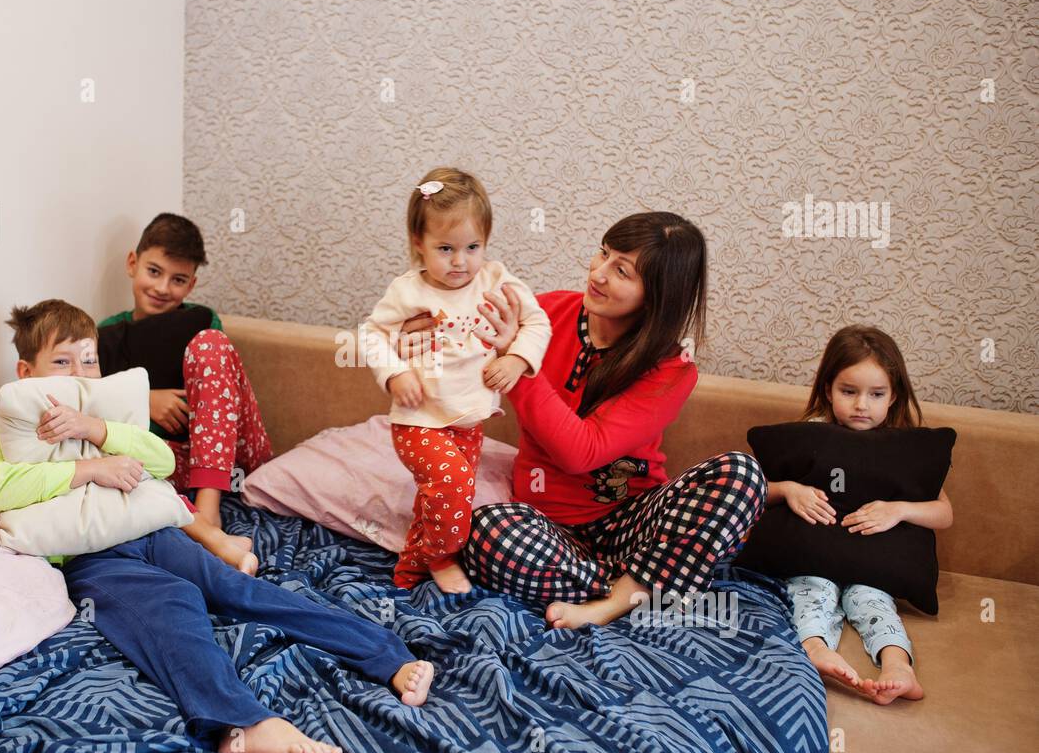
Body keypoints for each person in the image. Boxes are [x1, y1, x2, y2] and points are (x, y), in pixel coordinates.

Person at [0, 299, 435, 753]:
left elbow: (163, 462)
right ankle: (241, 724)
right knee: (174, 602)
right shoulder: (7, 423)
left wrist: (98, 431)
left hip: (151, 529)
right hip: (91, 556)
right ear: (26, 373)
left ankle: (386, 655)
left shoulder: (103, 415)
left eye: (88, 360)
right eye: (62, 362)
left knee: (238, 589)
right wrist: (89, 470)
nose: (80, 373)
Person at [400, 211, 767, 628]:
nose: (599, 273)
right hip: (548, 527)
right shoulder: (546, 312)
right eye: (603, 253)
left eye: (622, 270)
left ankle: (610, 604)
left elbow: (582, 453)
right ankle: (637, 585)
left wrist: (518, 366)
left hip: (633, 518)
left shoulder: (672, 369)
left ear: (657, 294)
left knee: (742, 473)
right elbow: (465, 343)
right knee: (486, 532)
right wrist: (427, 334)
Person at [362, 168, 550, 593]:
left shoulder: (496, 280)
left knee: (443, 498)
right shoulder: (408, 291)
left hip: (469, 422)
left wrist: (518, 359)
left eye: (472, 247)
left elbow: (537, 322)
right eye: (445, 248)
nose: (460, 261)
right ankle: (442, 556)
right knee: (451, 484)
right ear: (418, 244)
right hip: (418, 420)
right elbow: (372, 335)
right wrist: (396, 373)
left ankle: (408, 571)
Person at [768, 324, 950, 704]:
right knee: (809, 593)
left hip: (871, 559)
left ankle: (898, 666)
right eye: (848, 392)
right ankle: (816, 649)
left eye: (876, 394)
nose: (861, 405)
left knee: (872, 601)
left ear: (893, 394)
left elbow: (944, 513)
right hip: (813, 557)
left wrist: (898, 509)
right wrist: (789, 489)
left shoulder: (902, 446)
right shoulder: (810, 435)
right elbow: (756, 489)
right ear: (827, 389)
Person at [99, 213, 272, 528]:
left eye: (178, 280)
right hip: (168, 461)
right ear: (132, 264)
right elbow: (89, 404)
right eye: (154, 271)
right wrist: (143, 399)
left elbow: (218, 395)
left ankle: (208, 511)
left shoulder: (202, 322)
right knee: (104, 450)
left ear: (191, 285)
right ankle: (177, 503)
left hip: (232, 459)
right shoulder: (107, 334)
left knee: (210, 343)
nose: (163, 288)